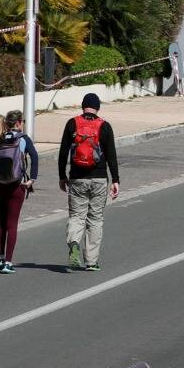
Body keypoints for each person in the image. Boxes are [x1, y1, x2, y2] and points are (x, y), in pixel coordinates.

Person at [58, 93, 120, 271]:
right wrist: (115, 180)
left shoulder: (72, 124)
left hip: (77, 178)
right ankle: (92, 261)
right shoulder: (105, 126)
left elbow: (63, 153)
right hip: (99, 178)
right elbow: (111, 156)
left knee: (77, 217)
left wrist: (62, 176)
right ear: (97, 107)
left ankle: (74, 244)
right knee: (95, 219)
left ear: (83, 106)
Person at [0, 110, 38, 273]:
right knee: (12, 224)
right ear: (19, 123)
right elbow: (34, 156)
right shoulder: (23, 139)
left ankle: (0, 258)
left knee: (2, 222)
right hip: (16, 185)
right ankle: (9, 262)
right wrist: (32, 179)